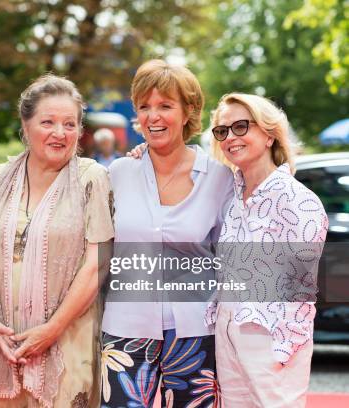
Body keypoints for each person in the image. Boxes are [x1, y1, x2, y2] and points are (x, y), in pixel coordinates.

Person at [0, 74, 114, 407]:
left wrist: (51, 329)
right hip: (2, 344)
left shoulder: (92, 179)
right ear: (26, 124)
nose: (60, 133)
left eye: (70, 124)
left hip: (67, 342)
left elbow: (96, 264)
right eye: (48, 122)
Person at [100, 59, 233, 407]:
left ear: (188, 112)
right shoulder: (118, 173)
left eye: (165, 106)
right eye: (144, 107)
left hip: (195, 331)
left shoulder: (219, 178)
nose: (153, 116)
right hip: (126, 328)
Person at [206, 93, 328, 407]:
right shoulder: (231, 197)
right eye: (222, 131)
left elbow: (301, 285)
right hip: (227, 330)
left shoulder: (296, 199)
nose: (230, 137)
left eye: (241, 126)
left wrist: (284, 346)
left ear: (269, 133)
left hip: (271, 339)